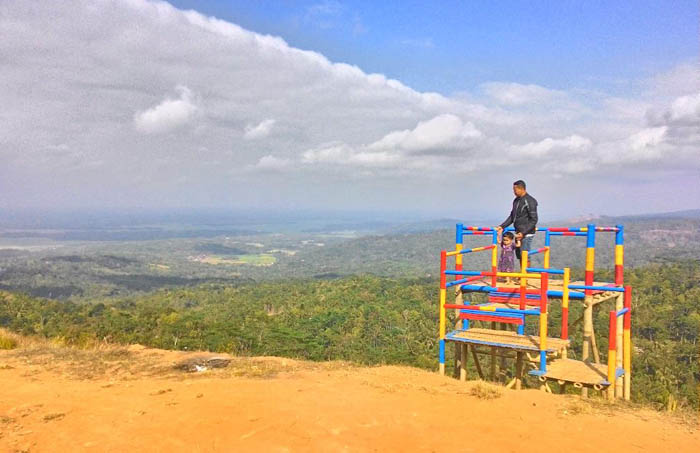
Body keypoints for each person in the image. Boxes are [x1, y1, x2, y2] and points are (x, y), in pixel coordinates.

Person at [495, 180, 538, 265]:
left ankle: (525, 276)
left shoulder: (530, 201)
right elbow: (512, 216)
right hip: (518, 232)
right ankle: (522, 275)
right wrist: (502, 226)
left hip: (527, 233)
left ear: (521, 189)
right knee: (519, 254)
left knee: (524, 254)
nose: (513, 192)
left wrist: (523, 232)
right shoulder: (516, 201)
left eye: (515, 189)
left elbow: (534, 219)